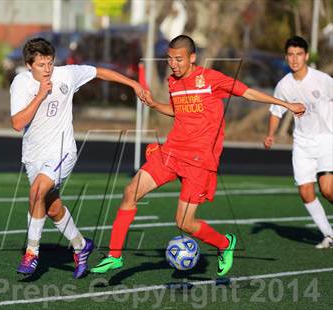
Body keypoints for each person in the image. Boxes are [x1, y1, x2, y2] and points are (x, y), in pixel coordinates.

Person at [91, 35, 306, 276]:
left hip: (199, 160)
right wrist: (154, 105)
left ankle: (225, 244)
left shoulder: (210, 79)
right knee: (130, 191)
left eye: (179, 59)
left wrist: (287, 105)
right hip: (171, 152)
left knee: (184, 223)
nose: (173, 64)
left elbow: (249, 93)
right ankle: (114, 256)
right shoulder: (172, 81)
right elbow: (176, 110)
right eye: (170, 58)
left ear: (192, 58)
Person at [10, 37, 145, 278]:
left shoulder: (66, 75)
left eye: (50, 63)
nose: (48, 69)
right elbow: (17, 123)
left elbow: (100, 72)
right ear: (29, 65)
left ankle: (31, 253)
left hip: (62, 151)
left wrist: (132, 83)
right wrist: (40, 96)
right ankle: (81, 245)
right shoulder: (21, 83)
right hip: (33, 156)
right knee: (51, 208)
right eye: (41, 65)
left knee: (36, 193)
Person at [264, 36, 333, 249]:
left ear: (305, 56)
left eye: (299, 54)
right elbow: (276, 111)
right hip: (302, 143)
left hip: (326, 139)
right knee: (305, 191)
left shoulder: (322, 79)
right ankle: (329, 235)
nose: (295, 59)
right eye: (291, 55)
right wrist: (271, 134)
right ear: (286, 57)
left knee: (327, 189)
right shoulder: (284, 85)